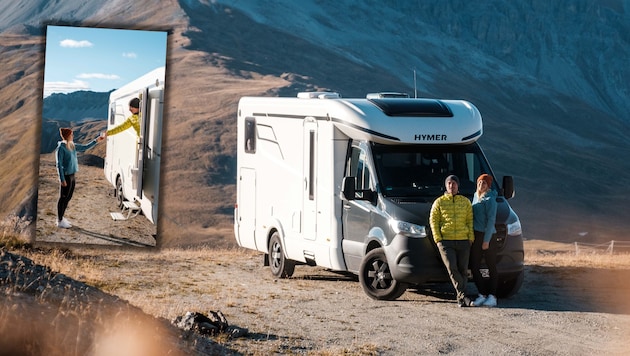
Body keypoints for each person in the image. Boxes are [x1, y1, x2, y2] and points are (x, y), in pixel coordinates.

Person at [430, 174, 474, 307]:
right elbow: (433, 220)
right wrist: (438, 239)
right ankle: (463, 295)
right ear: (446, 185)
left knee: (463, 269)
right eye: (449, 183)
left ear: (458, 185)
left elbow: (470, 220)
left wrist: (470, 237)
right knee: (451, 267)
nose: (451, 186)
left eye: (454, 183)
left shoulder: (465, 202)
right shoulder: (439, 202)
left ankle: (461, 298)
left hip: (463, 240)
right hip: (446, 241)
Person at [55, 127, 104, 228]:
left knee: (68, 197)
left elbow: (85, 147)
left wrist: (96, 140)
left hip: (72, 175)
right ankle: (59, 221)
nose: (73, 136)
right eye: (71, 135)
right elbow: (58, 164)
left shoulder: (72, 145)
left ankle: (62, 218)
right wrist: (62, 179)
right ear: (67, 136)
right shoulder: (61, 148)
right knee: (63, 198)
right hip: (66, 176)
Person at [470, 173, 499, 307]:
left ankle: (492, 296)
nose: (481, 185)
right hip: (476, 235)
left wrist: (486, 240)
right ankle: (482, 294)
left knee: (491, 266)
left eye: (484, 183)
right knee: (474, 266)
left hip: (488, 236)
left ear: (488, 185)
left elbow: (491, 220)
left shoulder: (490, 199)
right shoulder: (476, 197)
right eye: (479, 183)